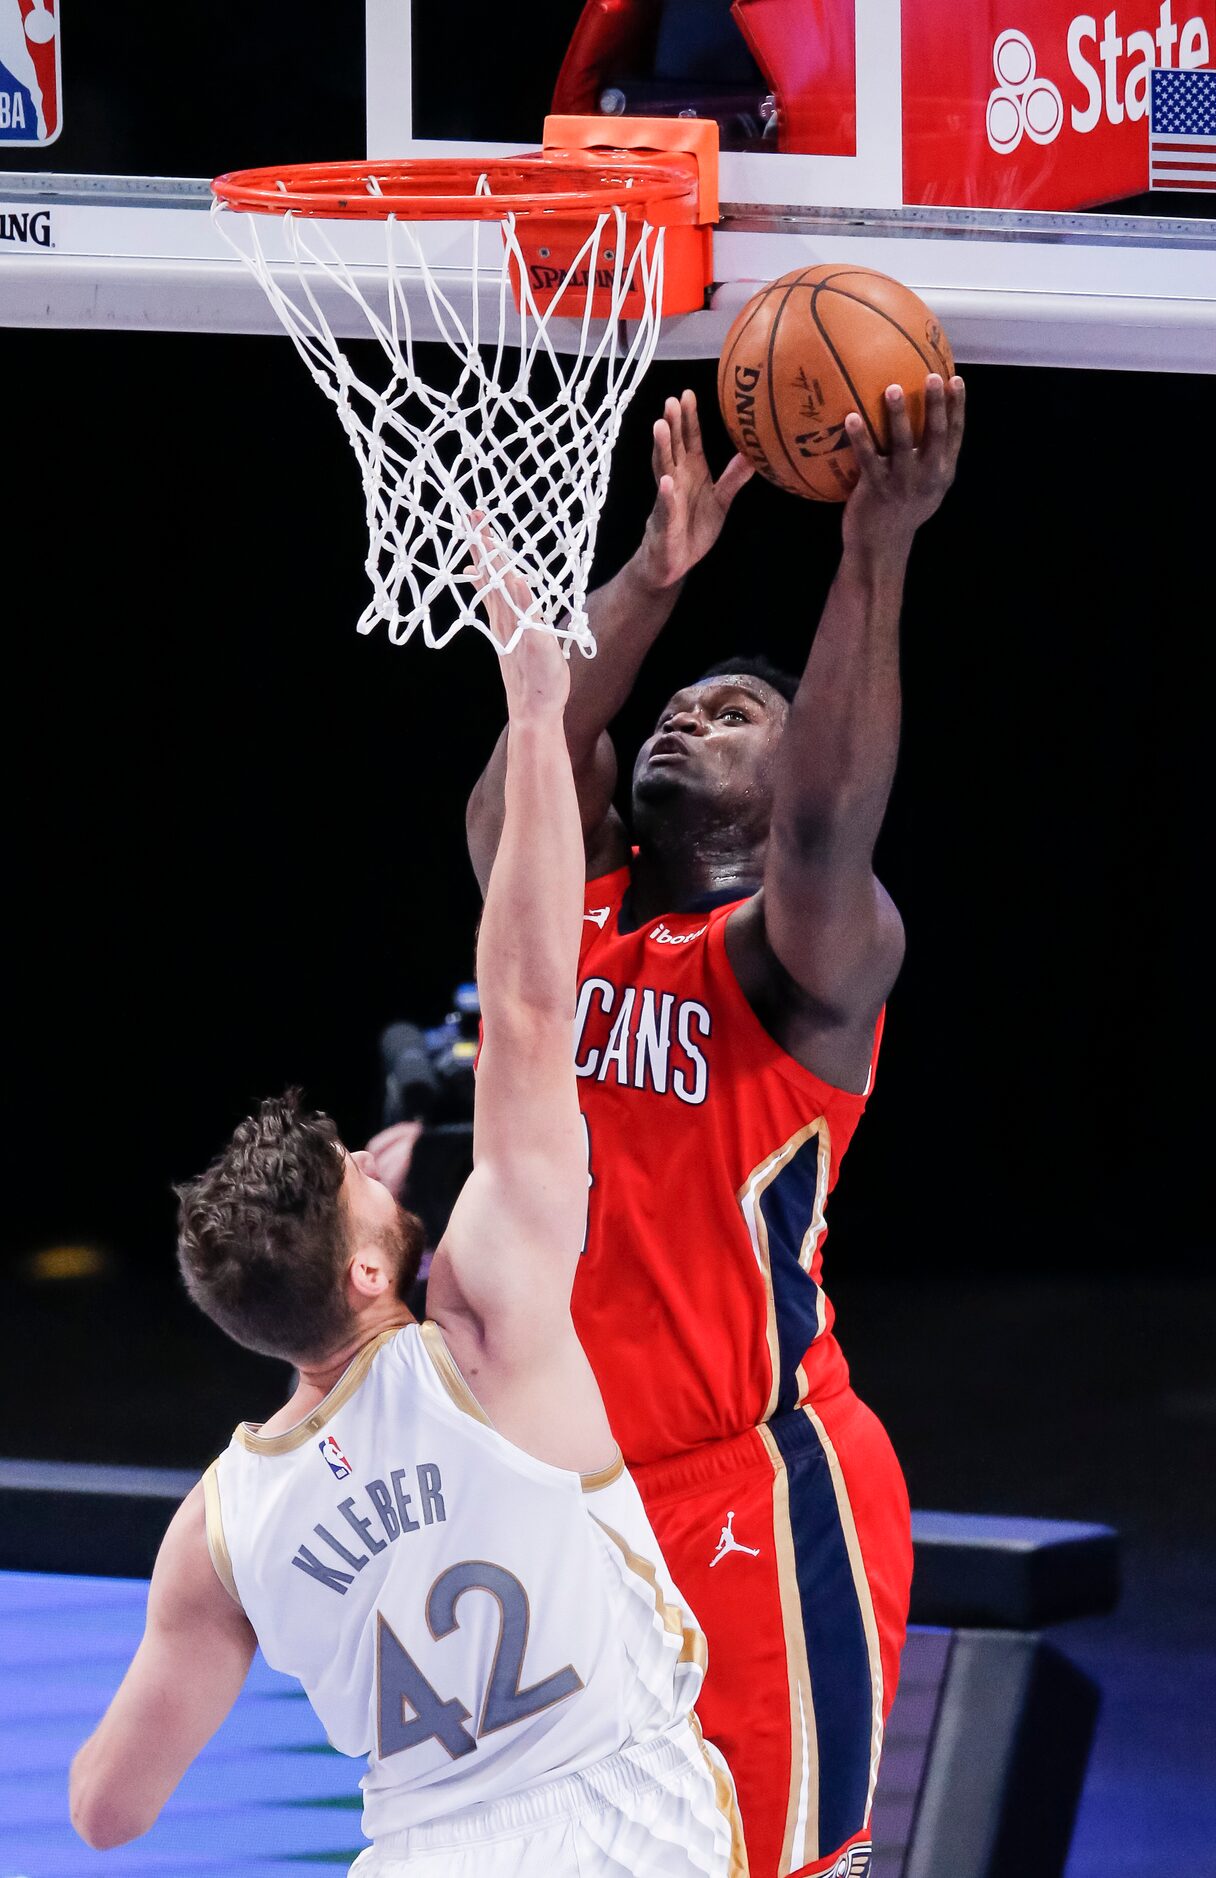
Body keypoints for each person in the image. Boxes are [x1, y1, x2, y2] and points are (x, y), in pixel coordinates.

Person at [69, 556, 747, 1878]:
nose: (389, 1163)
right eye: (364, 1179)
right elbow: (536, 1006)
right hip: (625, 1827)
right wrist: (538, 698)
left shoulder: (221, 1527)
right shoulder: (485, 1318)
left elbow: (105, 1810)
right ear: (374, 1263)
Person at [467, 376, 966, 1878]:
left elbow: (826, 824)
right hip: (553, 1501)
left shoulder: (802, 962)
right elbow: (522, 783)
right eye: (687, 700)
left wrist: (873, 552)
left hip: (748, 1487)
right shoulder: (572, 916)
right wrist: (652, 576)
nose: (692, 708)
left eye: (740, 712)